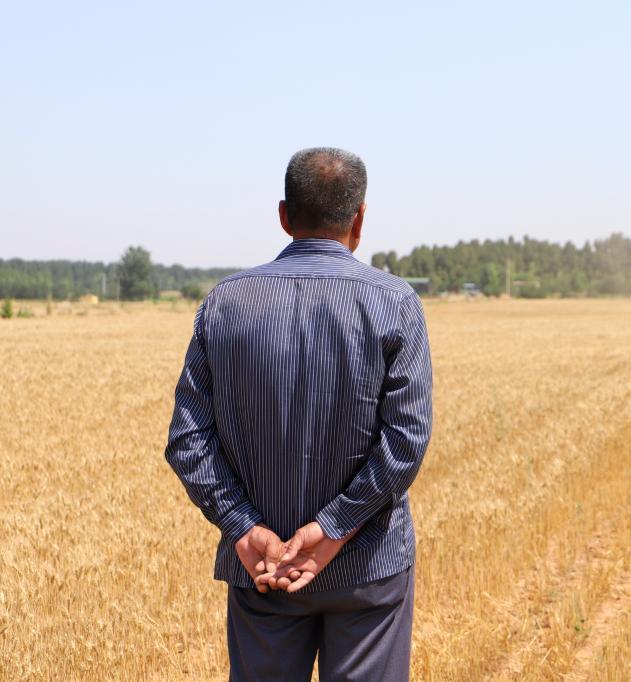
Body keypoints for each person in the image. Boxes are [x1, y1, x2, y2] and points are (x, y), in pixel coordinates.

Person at [164, 147, 433, 681]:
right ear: (359, 218)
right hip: (368, 571)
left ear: (284, 216)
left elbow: (187, 440)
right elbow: (405, 443)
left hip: (262, 570)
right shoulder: (395, 302)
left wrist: (244, 529)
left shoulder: (225, 303)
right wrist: (334, 529)